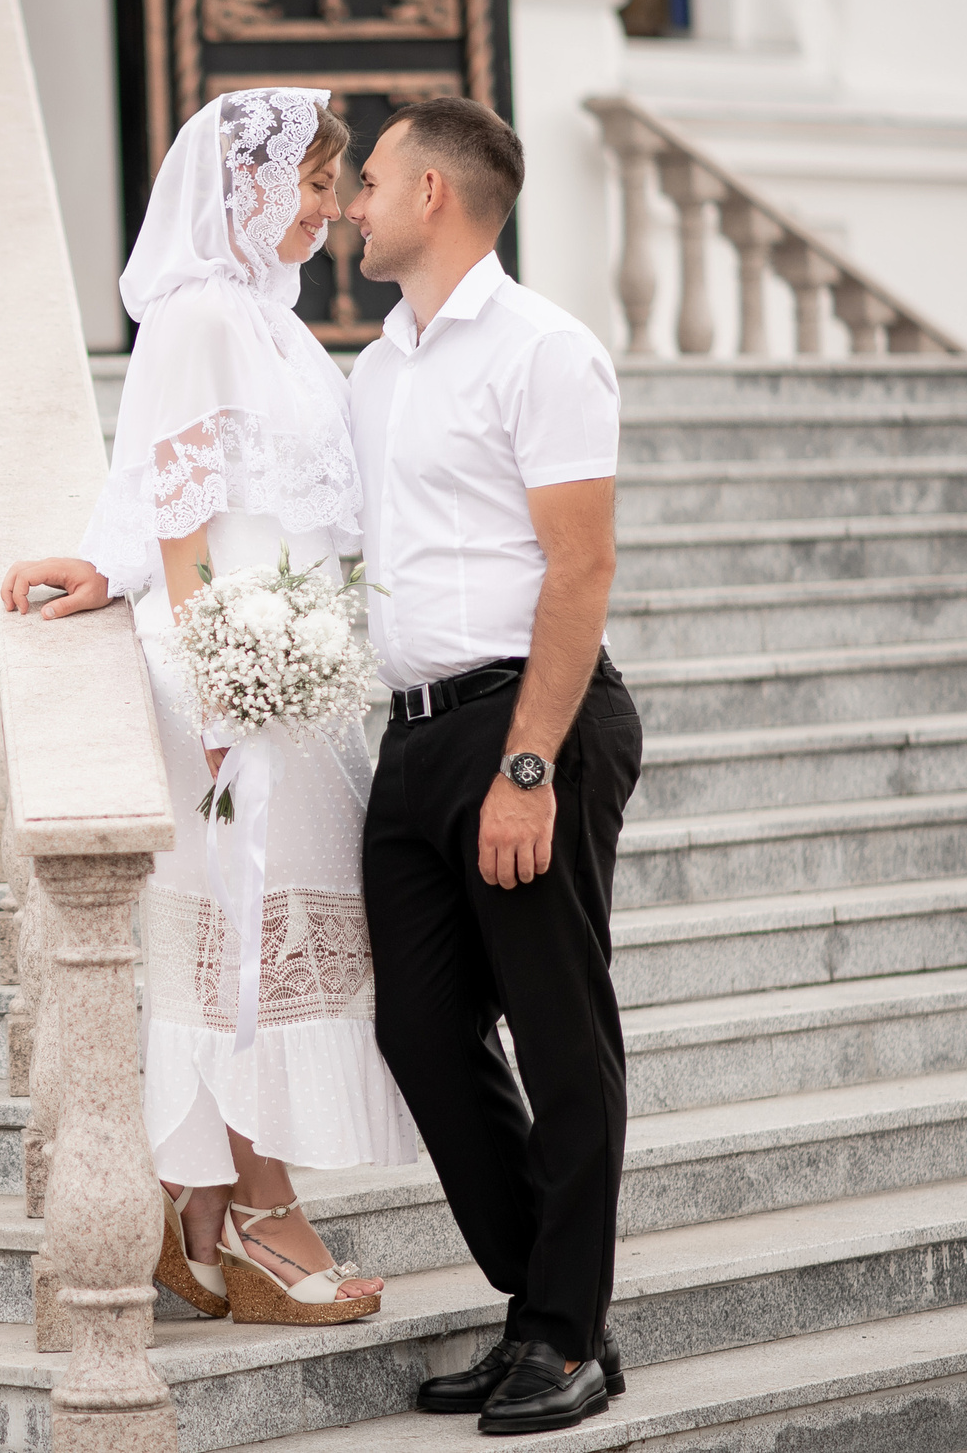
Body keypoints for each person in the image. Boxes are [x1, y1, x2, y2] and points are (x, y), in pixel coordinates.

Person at [0, 87, 414, 1328]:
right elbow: (176, 499)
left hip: (297, 668)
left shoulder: (272, 324)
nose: (330, 210)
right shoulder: (196, 317)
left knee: (277, 940)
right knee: (243, 943)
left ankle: (202, 1215)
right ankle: (260, 1213)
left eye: (336, 187)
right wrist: (216, 663)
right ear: (243, 186)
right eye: (312, 185)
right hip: (232, 680)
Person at [342, 96, 643, 1435]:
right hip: (409, 733)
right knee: (418, 1025)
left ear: (432, 199)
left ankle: (564, 1333)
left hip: (528, 722)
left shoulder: (544, 350)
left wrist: (530, 764)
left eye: (370, 179)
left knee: (559, 1027)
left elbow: (579, 566)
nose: (351, 200)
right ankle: (548, 1307)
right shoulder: (377, 367)